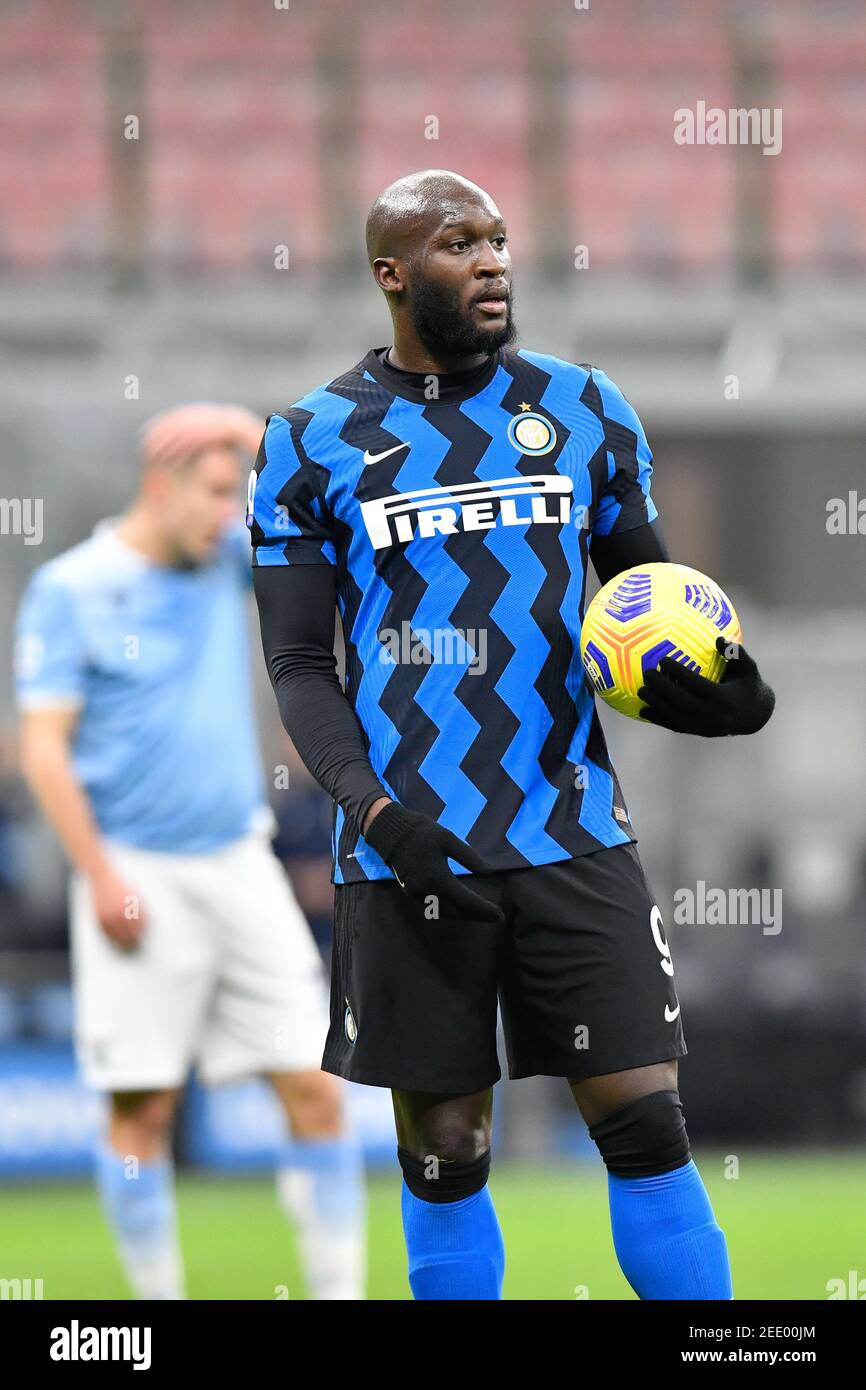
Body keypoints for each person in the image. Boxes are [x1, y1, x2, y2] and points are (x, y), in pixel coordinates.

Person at [249, 170, 775, 1301]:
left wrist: (731, 691)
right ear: (392, 273)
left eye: (496, 239)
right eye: (457, 244)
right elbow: (298, 665)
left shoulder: (583, 407)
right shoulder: (307, 441)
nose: (491, 261)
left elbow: (653, 602)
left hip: (570, 824)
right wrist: (376, 810)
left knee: (646, 1127)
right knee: (445, 1152)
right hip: (403, 849)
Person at [14, 404, 365, 1300]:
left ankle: (340, 1294)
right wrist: (97, 874)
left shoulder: (225, 563)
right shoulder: (74, 588)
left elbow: (304, 518)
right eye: (212, 493)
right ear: (159, 482)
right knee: (143, 1110)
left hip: (239, 863)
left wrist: (255, 441)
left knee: (318, 1088)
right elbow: (42, 747)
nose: (227, 513)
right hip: (134, 869)